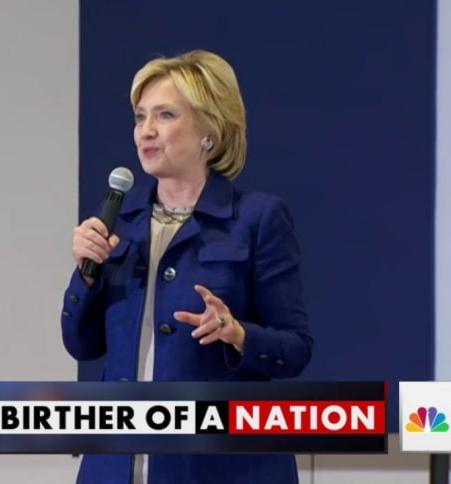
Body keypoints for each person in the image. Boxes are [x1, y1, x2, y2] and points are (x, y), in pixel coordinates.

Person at [61, 49, 313, 483]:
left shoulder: (256, 219)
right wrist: (86, 273)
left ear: (209, 131)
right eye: (140, 117)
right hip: (116, 466)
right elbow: (81, 345)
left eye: (165, 115)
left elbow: (295, 349)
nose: (146, 131)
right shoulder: (119, 221)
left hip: (221, 469)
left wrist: (237, 333)